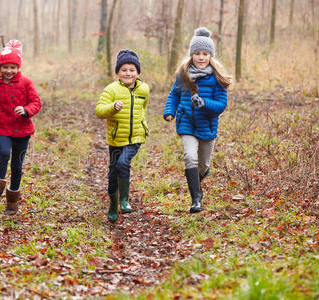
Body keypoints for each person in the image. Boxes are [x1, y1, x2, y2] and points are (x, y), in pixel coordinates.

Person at [163, 27, 231, 213]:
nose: (201, 57)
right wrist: (170, 111)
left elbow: (221, 106)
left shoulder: (217, 78)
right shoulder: (183, 74)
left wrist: (203, 103)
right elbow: (174, 95)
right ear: (191, 55)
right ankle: (196, 200)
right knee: (190, 157)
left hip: (207, 126)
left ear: (210, 55)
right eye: (197, 53)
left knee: (204, 165)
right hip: (187, 123)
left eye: (205, 54)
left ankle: (197, 181)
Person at [0, 40, 41, 215]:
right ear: (0, 68)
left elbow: (36, 102)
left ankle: (12, 203)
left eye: (13, 67)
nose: (9, 71)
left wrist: (26, 110)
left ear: (18, 67)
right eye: (5, 67)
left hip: (23, 131)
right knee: (5, 153)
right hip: (4, 128)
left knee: (17, 166)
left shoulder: (26, 83)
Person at [96, 49, 150, 222]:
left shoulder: (144, 89)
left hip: (136, 136)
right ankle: (113, 205)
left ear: (137, 72)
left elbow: (142, 110)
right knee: (113, 173)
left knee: (123, 163)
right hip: (116, 138)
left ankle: (124, 200)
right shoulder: (111, 90)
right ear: (118, 72)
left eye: (132, 70)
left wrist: (144, 125)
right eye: (124, 70)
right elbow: (99, 111)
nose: (128, 73)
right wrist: (112, 107)